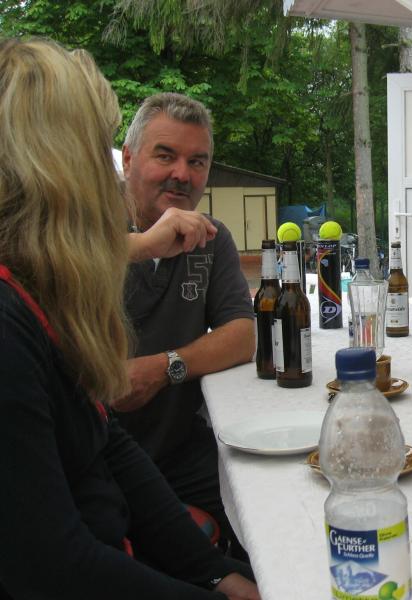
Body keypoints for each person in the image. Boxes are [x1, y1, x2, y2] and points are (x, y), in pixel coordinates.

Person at [0, 38, 259, 599]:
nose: (182, 174)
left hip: (160, 469)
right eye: (94, 149)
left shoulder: (37, 283)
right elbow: (53, 563)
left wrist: (218, 574)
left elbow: (103, 442)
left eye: (197, 161)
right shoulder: (18, 308)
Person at [113, 93, 255, 554]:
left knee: (267, 515)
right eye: (165, 155)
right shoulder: (82, 232)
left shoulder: (209, 238)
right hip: (92, 456)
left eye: (197, 161)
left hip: (178, 451)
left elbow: (242, 335)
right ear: (128, 159)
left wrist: (164, 367)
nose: (182, 173)